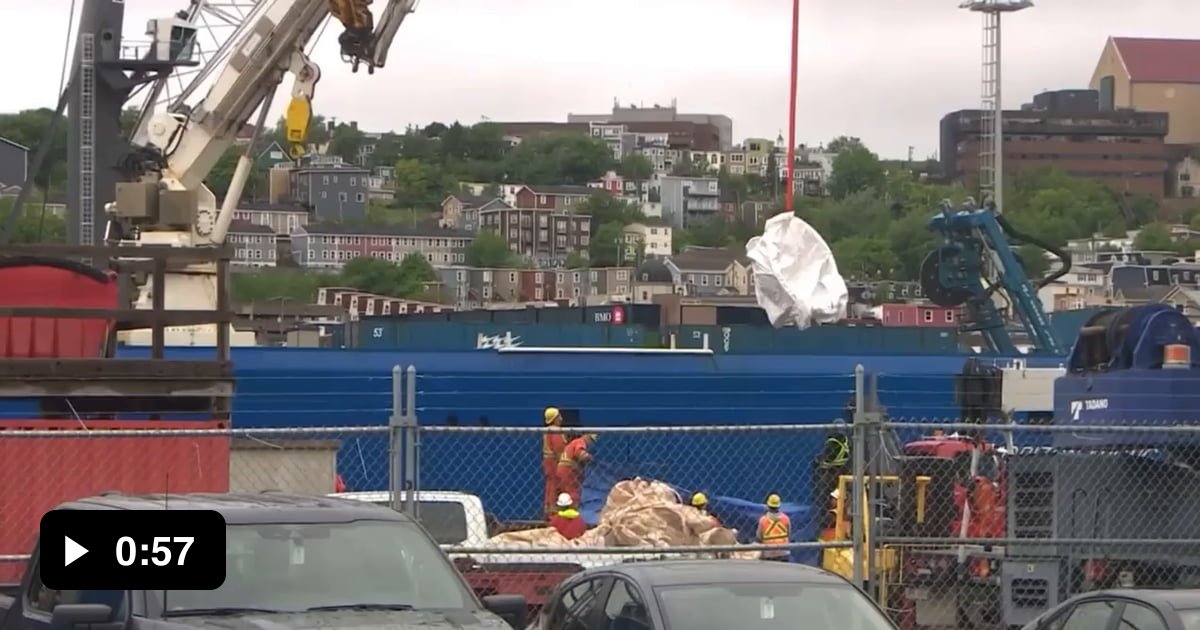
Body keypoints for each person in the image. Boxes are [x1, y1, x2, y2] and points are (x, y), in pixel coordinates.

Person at [556, 433, 597, 506]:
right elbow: (579, 453)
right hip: (569, 471)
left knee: (563, 492)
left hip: (562, 470)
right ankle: (573, 511)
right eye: (591, 440)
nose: (590, 443)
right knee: (573, 493)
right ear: (586, 436)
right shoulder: (580, 441)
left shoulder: (573, 442)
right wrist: (590, 458)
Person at [541, 407, 568, 517]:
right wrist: (563, 460)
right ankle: (553, 508)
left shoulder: (547, 430)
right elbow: (558, 448)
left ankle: (548, 506)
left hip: (548, 461)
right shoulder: (555, 431)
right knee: (555, 483)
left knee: (550, 483)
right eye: (559, 416)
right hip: (554, 462)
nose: (561, 418)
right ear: (555, 418)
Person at [757, 493, 791, 561]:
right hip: (783, 552)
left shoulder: (763, 520)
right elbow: (788, 534)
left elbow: (759, 537)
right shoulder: (786, 518)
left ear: (768, 506)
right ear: (779, 506)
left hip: (768, 553)